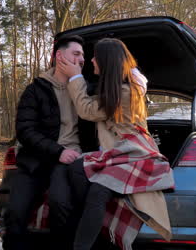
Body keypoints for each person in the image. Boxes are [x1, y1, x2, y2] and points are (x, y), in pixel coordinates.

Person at [57, 38, 175, 250]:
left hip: (134, 154)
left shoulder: (125, 92)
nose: (91, 60)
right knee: (79, 172)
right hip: (119, 153)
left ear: (107, 61)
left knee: (97, 191)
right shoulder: (125, 85)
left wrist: (75, 76)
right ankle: (92, 227)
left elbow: (87, 110)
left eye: (95, 56)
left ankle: (85, 242)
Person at [2, 35, 85, 250]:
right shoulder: (36, 90)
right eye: (76, 54)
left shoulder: (87, 90)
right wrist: (57, 151)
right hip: (36, 158)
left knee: (61, 204)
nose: (82, 59)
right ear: (59, 56)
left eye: (83, 55)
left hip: (70, 160)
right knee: (15, 212)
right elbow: (25, 130)